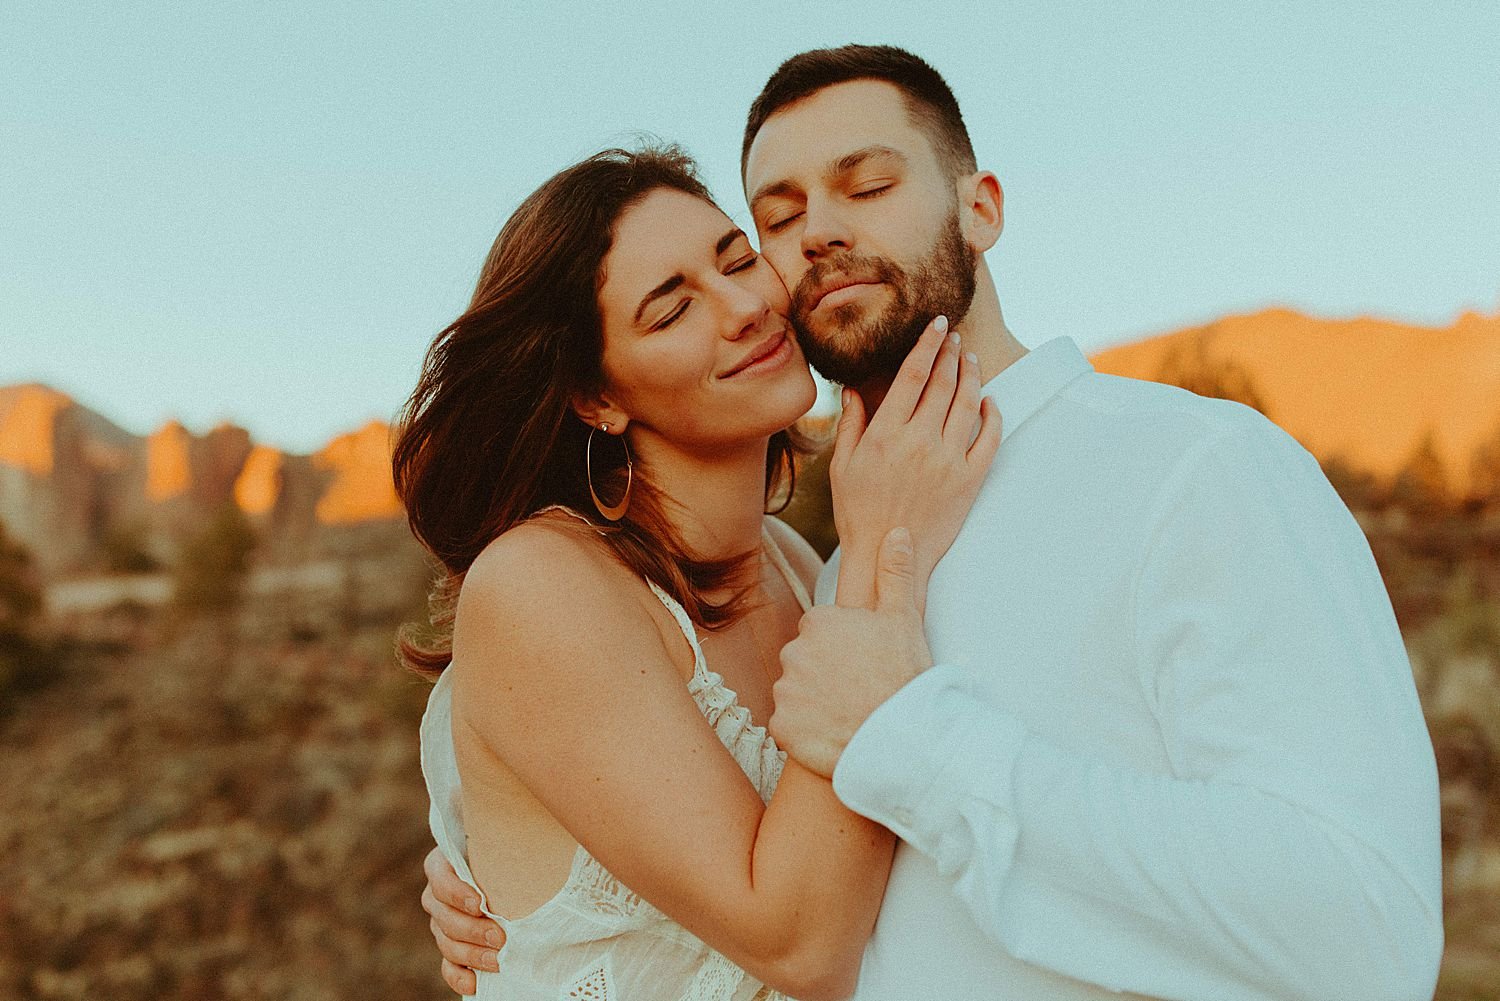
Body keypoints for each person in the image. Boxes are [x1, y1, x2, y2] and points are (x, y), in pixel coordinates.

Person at [426, 44, 1445, 1000]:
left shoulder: (1190, 468)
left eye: (868, 186)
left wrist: (915, 734)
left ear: (983, 207)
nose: (813, 236)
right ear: (594, 393)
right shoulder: (834, 568)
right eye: (777, 217)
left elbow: (1368, 935)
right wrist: (484, 864)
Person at [394, 144, 999, 1001]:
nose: (748, 306)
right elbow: (798, 947)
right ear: (596, 396)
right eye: (672, 310)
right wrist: (880, 547)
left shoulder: (793, 565)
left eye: (738, 259)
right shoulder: (540, 583)